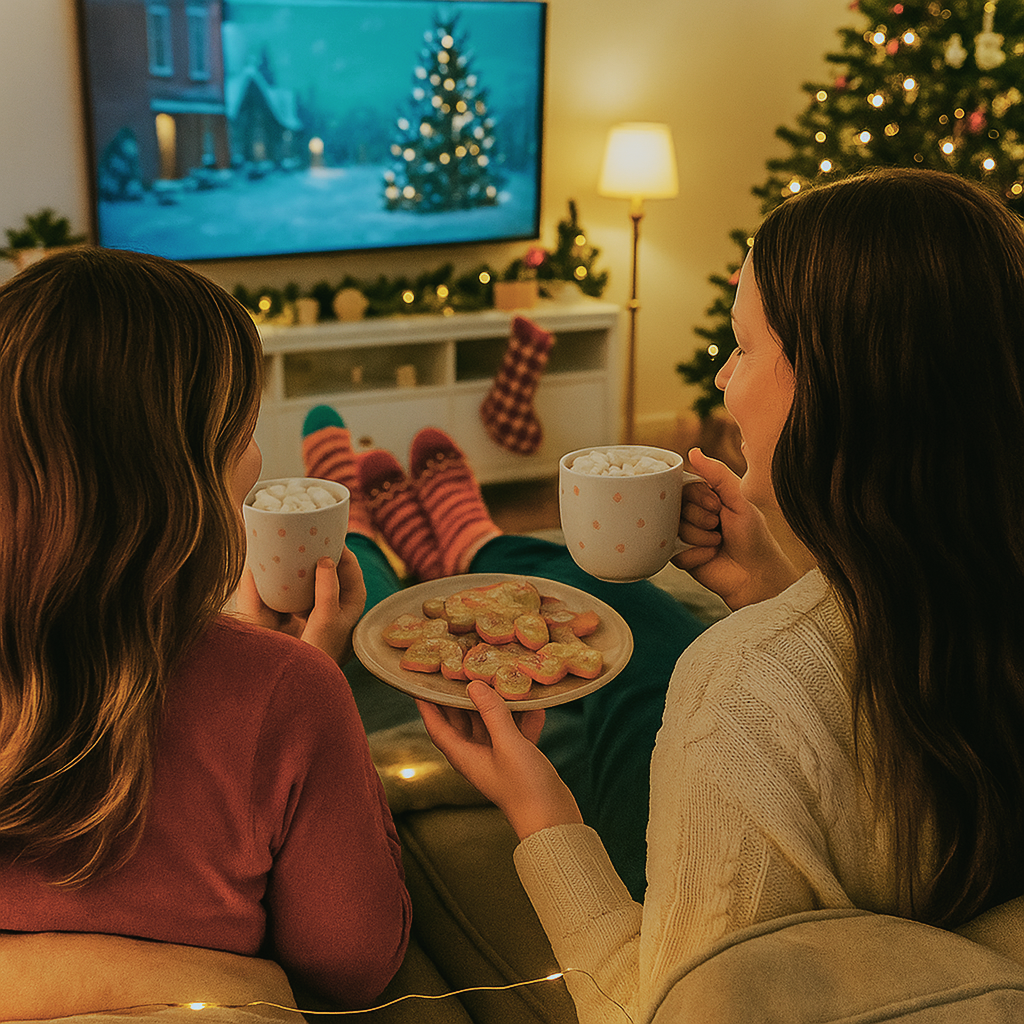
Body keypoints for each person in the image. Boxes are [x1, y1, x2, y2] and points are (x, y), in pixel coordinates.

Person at [413, 167, 1024, 1024]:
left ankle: (456, 540)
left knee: (615, 621)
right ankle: (467, 537)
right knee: (631, 610)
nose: (724, 380)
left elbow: (666, 1011)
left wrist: (539, 813)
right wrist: (780, 597)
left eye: (742, 346)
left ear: (835, 384)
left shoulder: (736, 690)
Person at [0, 247, 410, 1017]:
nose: (256, 458)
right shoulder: (291, 692)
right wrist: (305, 689)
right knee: (369, 576)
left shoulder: (278, 683)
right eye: (243, 432)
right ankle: (416, 532)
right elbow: (351, 967)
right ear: (182, 481)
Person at [299, 409, 711, 902]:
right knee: (642, 622)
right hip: (679, 824)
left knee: (361, 622)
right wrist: (764, 582)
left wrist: (535, 811)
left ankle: (356, 540)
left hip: (645, 886)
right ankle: (470, 544)